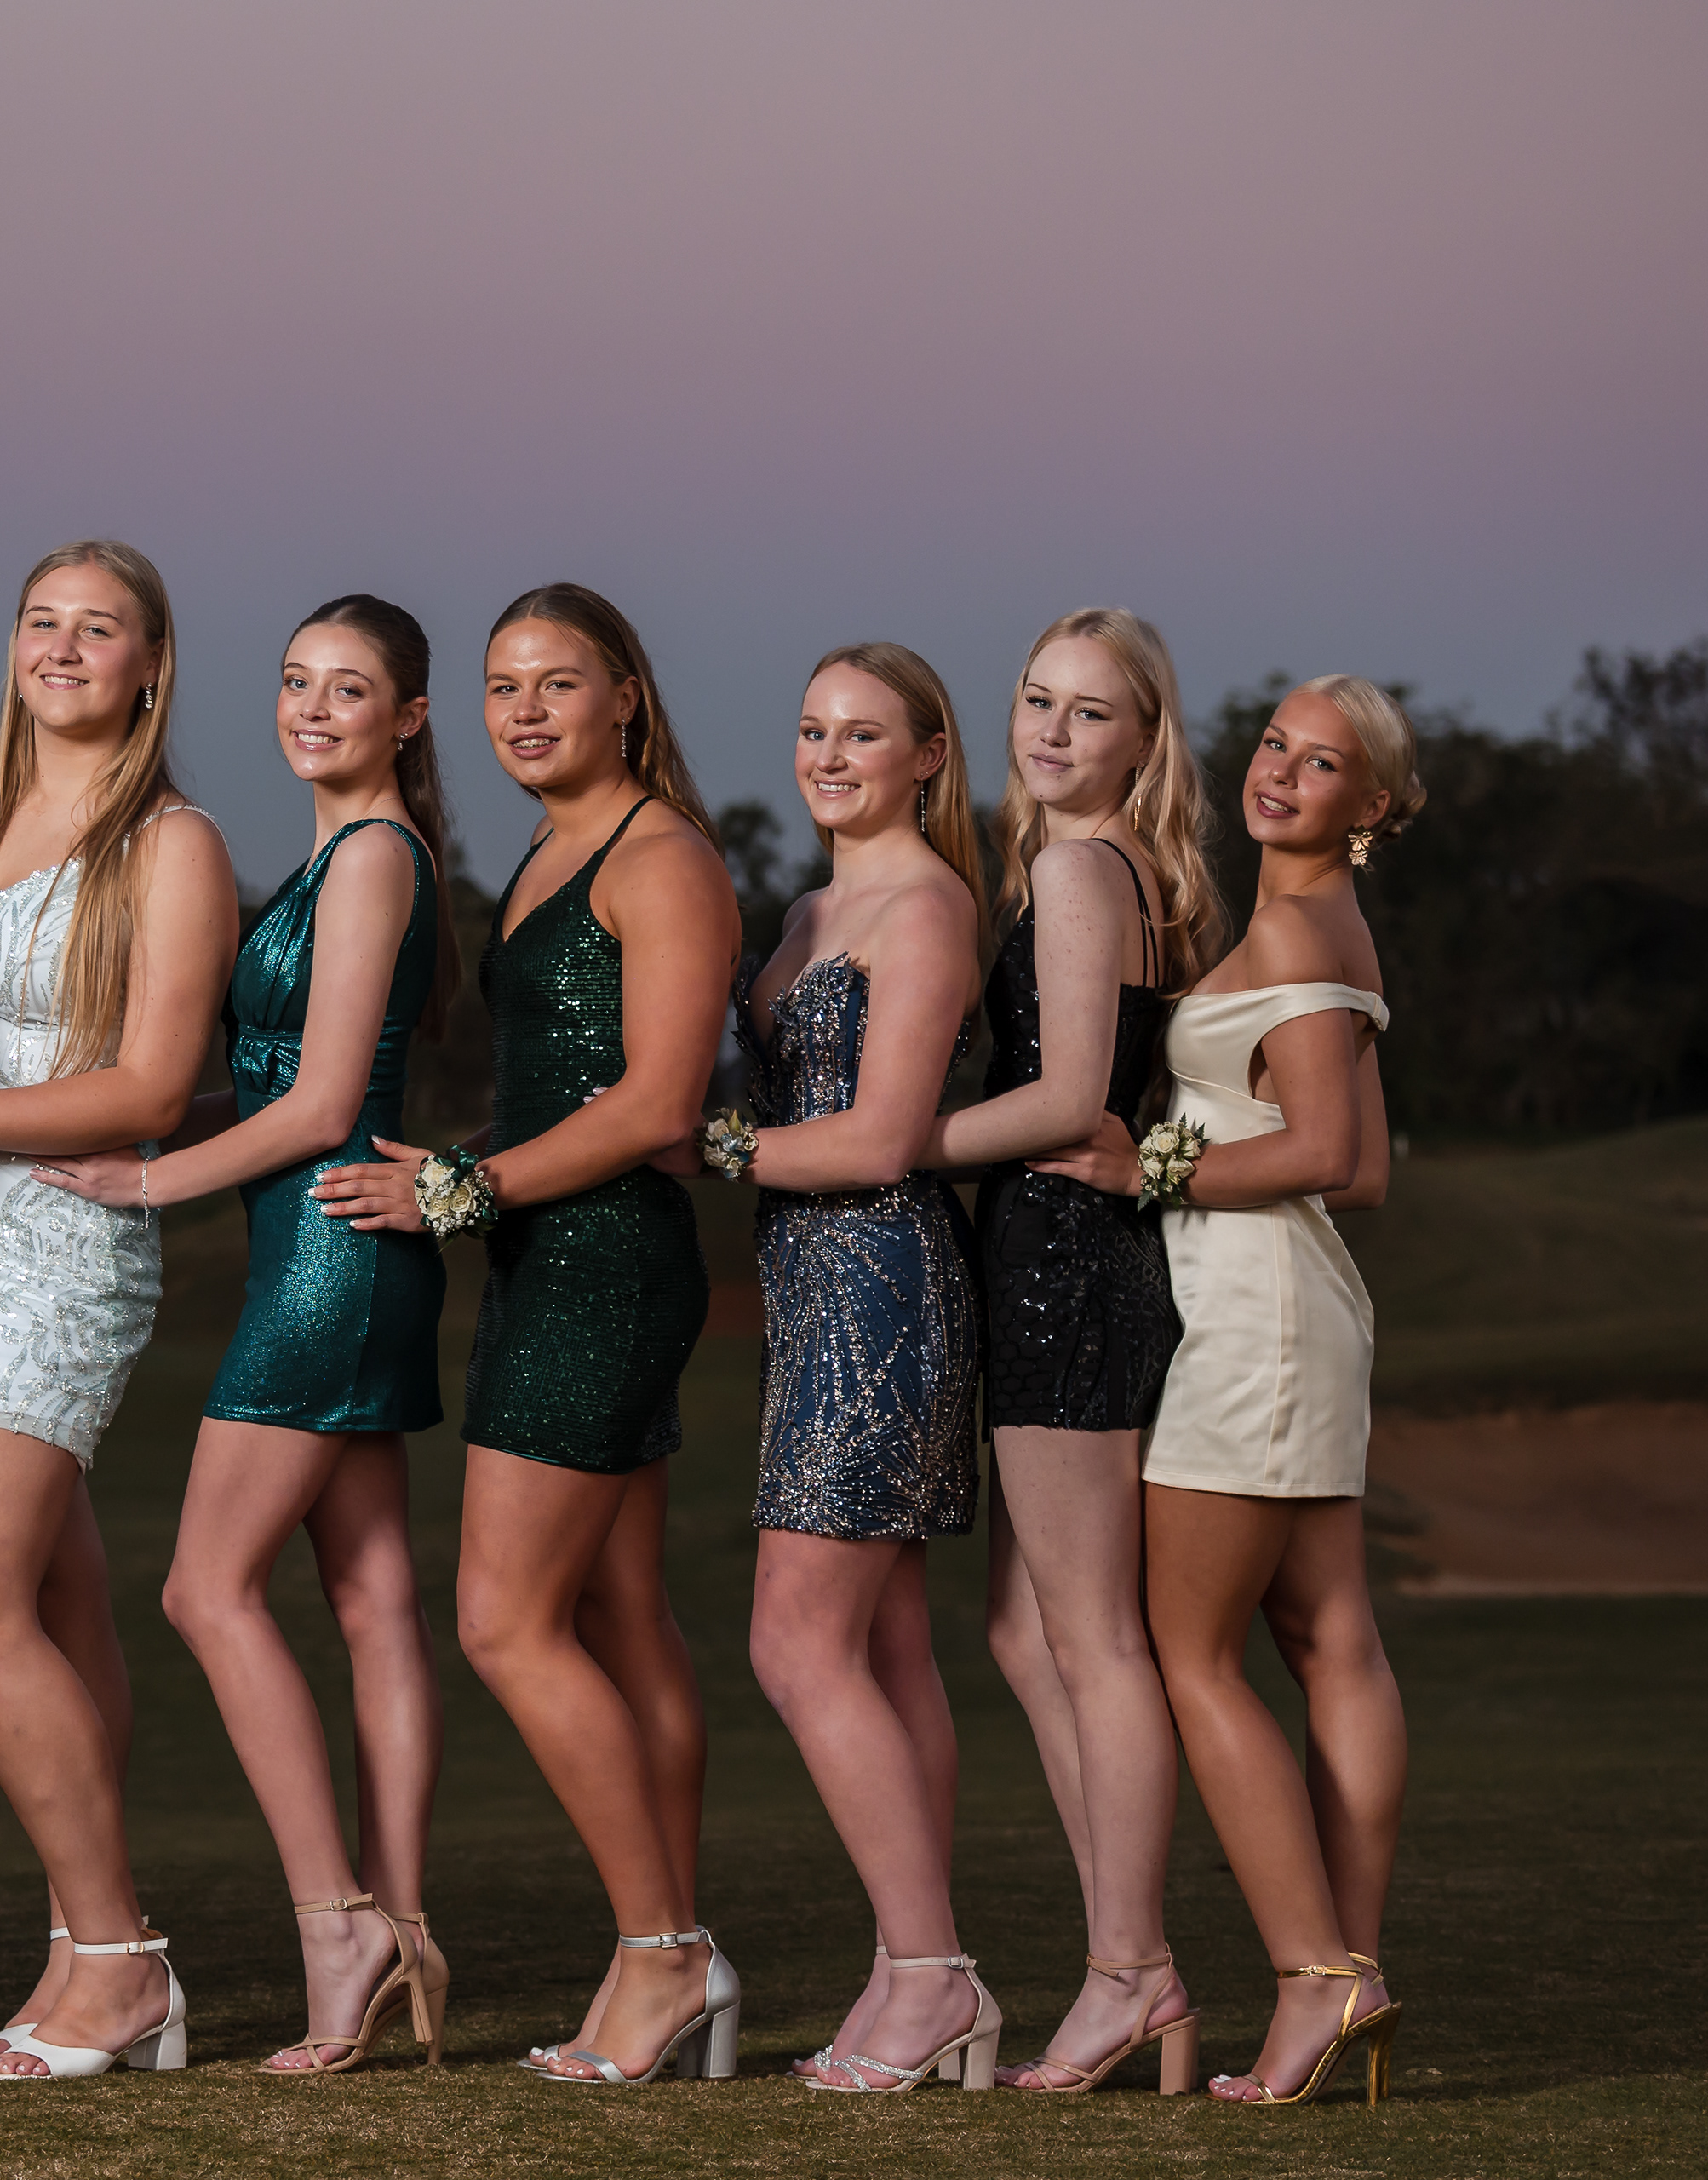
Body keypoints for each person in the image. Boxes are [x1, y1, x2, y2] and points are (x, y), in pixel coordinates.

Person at [316, 584, 736, 2089]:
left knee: (504, 1620)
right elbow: (559, 1088)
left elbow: (659, 1104)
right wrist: (474, 1165)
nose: (528, 711)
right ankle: (671, 1949)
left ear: (628, 697)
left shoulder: (663, 857)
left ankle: (664, 1952)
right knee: (621, 1613)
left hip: (604, 1266)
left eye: (560, 682)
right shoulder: (552, 852)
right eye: (504, 687)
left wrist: (461, 1188)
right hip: (546, 1252)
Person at [34, 594, 456, 2074]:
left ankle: (338, 1925)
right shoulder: (339, 858)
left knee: (206, 1590)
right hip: (328, 1245)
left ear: (407, 717)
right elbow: (282, 1079)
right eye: (294, 682)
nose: (312, 709)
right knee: (372, 1597)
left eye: (349, 689)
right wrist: (167, 1125)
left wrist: (148, 1183)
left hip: (329, 1256)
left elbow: (327, 1105)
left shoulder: (378, 856)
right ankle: (399, 1924)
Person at [0, 539, 239, 2081]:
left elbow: (152, 1088)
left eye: (101, 629)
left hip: (59, 1233)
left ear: (151, 665)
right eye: (43, 622)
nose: (65, 649)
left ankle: (124, 1961)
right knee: (58, 1602)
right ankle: (82, 1943)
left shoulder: (174, 844)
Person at [1029, 674, 1424, 2108]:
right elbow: (1364, 1175)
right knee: (1330, 1639)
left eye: (1322, 765)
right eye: (1274, 745)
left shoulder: (1305, 931)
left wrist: (1148, 1168)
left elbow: (1325, 1154)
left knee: (1190, 1655)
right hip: (1295, 1312)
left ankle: (1319, 1977)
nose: (1280, 773)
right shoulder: (1317, 926)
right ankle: (1349, 1970)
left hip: (1252, 1324)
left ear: (1372, 805)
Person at [915, 610, 1222, 2092]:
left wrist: (892, 1141)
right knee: (1027, 1635)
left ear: (1144, 739)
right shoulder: (1119, 869)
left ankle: (1129, 1973)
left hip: (1062, 1267)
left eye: (1090, 712)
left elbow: (1067, 1103)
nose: (1050, 730)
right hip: (1061, 1257)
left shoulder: (1088, 870)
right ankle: (1133, 1964)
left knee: (1094, 1639)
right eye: (1038, 699)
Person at [724, 643, 994, 2096]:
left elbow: (884, 1138)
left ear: (928, 757)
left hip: (881, 1286)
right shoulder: (807, 910)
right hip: (807, 1287)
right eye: (813, 730)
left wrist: (708, 1148)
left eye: (864, 734)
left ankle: (935, 1976)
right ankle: (911, 1971)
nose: (828, 757)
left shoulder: (929, 906)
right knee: (886, 1650)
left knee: (795, 1644)